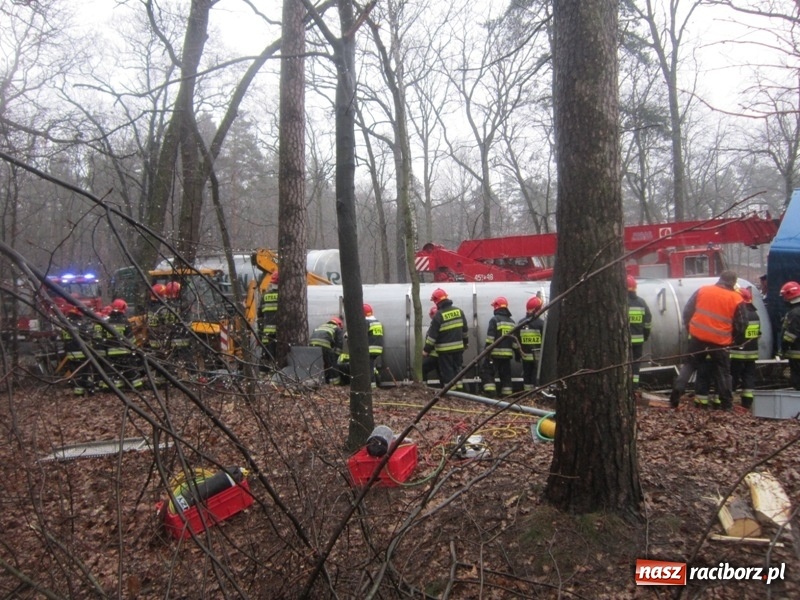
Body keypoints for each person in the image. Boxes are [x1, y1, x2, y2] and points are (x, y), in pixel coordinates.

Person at [669, 270, 748, 410]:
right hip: (720, 342)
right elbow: (742, 324)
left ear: (720, 279)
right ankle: (727, 405)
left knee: (689, 365)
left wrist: (691, 329)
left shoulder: (703, 291)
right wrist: (734, 340)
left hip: (697, 338)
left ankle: (676, 394)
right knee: (723, 372)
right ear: (734, 282)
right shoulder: (736, 299)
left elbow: (687, 311)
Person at [423, 288, 469, 390]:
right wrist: (465, 343)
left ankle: (451, 393)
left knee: (447, 372)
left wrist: (426, 350)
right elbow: (465, 331)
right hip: (458, 348)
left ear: (436, 301)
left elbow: (432, 336)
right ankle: (460, 391)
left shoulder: (439, 315)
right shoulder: (459, 311)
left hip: (445, 351)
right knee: (457, 369)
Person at [480, 296, 519, 397]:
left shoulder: (495, 320)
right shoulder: (512, 322)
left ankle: (490, 394)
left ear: (496, 307)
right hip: (507, 356)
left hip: (494, 354)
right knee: (506, 375)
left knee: (487, 372)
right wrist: (517, 354)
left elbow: (490, 338)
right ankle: (507, 395)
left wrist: (487, 352)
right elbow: (515, 342)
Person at [730, 287, 761, 409]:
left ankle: (729, 400)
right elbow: (758, 334)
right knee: (749, 376)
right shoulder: (755, 314)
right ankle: (747, 402)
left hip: (737, 352)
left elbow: (734, 332)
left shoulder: (738, 314)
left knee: (733, 376)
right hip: (752, 353)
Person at [626, 275, 653, 393]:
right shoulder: (641, 303)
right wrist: (645, 336)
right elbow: (648, 322)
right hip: (638, 341)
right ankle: (634, 388)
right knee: (636, 364)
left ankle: (624, 386)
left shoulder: (620, 303)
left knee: (624, 364)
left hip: (624, 342)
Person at [518, 295, 545, 392]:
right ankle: (536, 393)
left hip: (525, 357)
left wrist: (517, 355)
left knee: (527, 375)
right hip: (538, 357)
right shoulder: (541, 324)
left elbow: (516, 341)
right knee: (535, 376)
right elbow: (546, 342)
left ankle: (527, 394)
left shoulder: (520, 323)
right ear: (538, 309)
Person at [310, 316, 345, 384]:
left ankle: (318, 380)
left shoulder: (321, 326)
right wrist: (335, 356)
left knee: (317, 364)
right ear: (339, 324)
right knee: (331, 364)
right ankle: (335, 382)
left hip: (311, 345)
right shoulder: (337, 328)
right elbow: (339, 343)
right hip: (323, 344)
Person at [779, 281, 800, 390]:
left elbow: (790, 335)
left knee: (797, 381)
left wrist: (783, 348)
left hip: (797, 354)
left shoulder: (795, 313)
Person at [259, 271, 279, 368]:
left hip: (266, 332)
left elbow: (260, 314)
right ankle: (275, 375)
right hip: (280, 332)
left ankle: (265, 375)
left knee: (267, 354)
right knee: (277, 356)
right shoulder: (285, 296)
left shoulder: (265, 296)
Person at [364, 303, 384, 388]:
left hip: (369, 348)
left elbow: (361, 335)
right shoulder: (377, 322)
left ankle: (371, 386)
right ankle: (377, 381)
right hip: (378, 349)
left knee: (368, 368)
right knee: (371, 366)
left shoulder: (366, 322)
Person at [422, 306, 440, 383]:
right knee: (442, 373)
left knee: (422, 368)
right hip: (439, 355)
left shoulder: (435, 325)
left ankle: (423, 387)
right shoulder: (437, 324)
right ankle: (445, 389)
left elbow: (431, 339)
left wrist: (426, 351)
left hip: (435, 355)